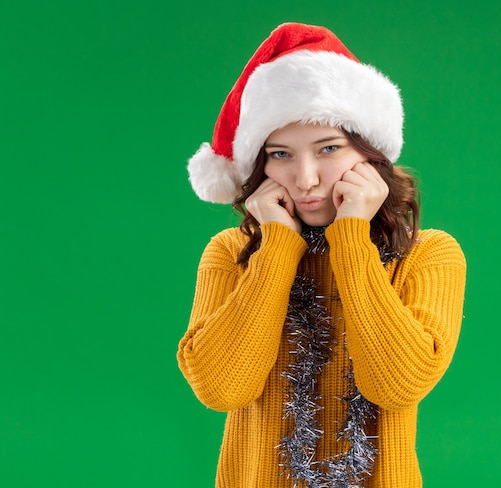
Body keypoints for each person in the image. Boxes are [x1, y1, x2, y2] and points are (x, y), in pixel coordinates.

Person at [177, 22, 466, 488]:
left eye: (328, 148)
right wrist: (276, 249)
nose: (306, 178)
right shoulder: (232, 253)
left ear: (371, 157)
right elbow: (221, 387)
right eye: (281, 154)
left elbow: (397, 385)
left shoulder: (429, 254)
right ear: (259, 166)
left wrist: (351, 236)